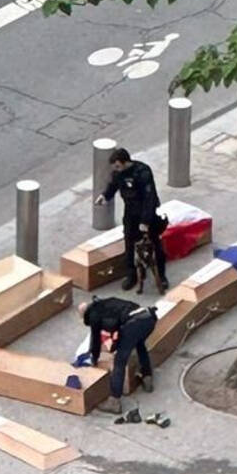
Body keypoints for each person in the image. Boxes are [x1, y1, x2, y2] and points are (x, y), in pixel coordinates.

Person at [94, 148, 168, 291]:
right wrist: (105, 196)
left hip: (146, 213)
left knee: (155, 244)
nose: (116, 170)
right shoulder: (119, 173)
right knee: (129, 244)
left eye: (117, 166)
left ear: (125, 162)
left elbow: (149, 197)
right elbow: (113, 185)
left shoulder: (143, 172)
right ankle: (131, 275)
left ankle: (162, 275)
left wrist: (145, 221)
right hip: (131, 213)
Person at [78, 297, 158, 414]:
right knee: (140, 344)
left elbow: (95, 339)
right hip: (149, 318)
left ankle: (114, 401)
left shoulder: (94, 315)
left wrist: (94, 358)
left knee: (119, 361)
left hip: (133, 324)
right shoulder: (108, 302)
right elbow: (118, 323)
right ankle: (147, 377)